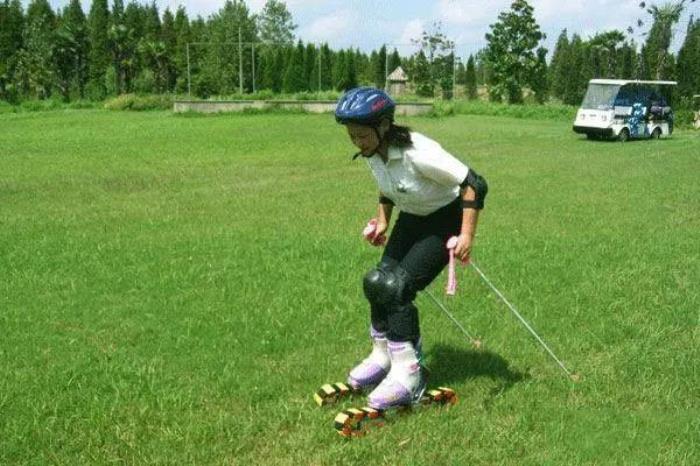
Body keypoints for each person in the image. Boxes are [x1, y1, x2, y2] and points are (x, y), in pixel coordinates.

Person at [335, 87, 488, 409]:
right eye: (352, 136)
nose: (357, 142)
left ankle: (409, 375)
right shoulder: (373, 152)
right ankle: (383, 356)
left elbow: (474, 183)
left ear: (384, 125)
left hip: (444, 219)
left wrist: (466, 236)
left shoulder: (419, 151)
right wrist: (382, 222)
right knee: (376, 282)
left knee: (398, 288)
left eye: (362, 135)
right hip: (413, 218)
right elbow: (387, 187)